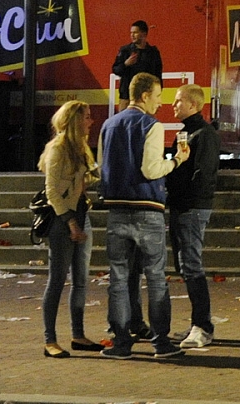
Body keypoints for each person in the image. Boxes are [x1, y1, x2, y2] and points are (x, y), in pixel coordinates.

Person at [98, 71, 188, 359]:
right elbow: (151, 170)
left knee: (119, 279)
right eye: (158, 96)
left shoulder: (108, 125)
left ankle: (122, 342)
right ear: (145, 94)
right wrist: (175, 160)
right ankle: (161, 342)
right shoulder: (151, 125)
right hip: (147, 210)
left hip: (116, 211)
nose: (160, 103)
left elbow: (103, 168)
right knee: (156, 278)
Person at [39, 100, 100, 358]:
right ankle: (49, 340)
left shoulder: (80, 147)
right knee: (57, 280)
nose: (91, 121)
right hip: (63, 220)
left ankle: (78, 334)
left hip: (81, 215)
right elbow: (52, 191)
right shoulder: (58, 148)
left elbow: (89, 178)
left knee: (81, 281)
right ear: (75, 120)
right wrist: (72, 223)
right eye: (86, 117)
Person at [166, 83, 221, 350]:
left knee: (192, 265)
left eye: (178, 101)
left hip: (191, 207)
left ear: (193, 105)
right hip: (181, 206)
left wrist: (188, 199)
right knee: (186, 266)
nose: (173, 105)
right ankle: (197, 323)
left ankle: (203, 326)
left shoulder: (204, 134)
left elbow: (203, 173)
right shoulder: (186, 132)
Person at [112, 21, 163, 112]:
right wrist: (126, 64)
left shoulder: (153, 53)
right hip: (127, 97)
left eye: (135, 32)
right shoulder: (125, 51)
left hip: (147, 97)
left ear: (144, 34)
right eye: (131, 33)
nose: (132, 35)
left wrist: (157, 94)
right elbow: (116, 69)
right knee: (125, 123)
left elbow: (158, 75)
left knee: (147, 123)